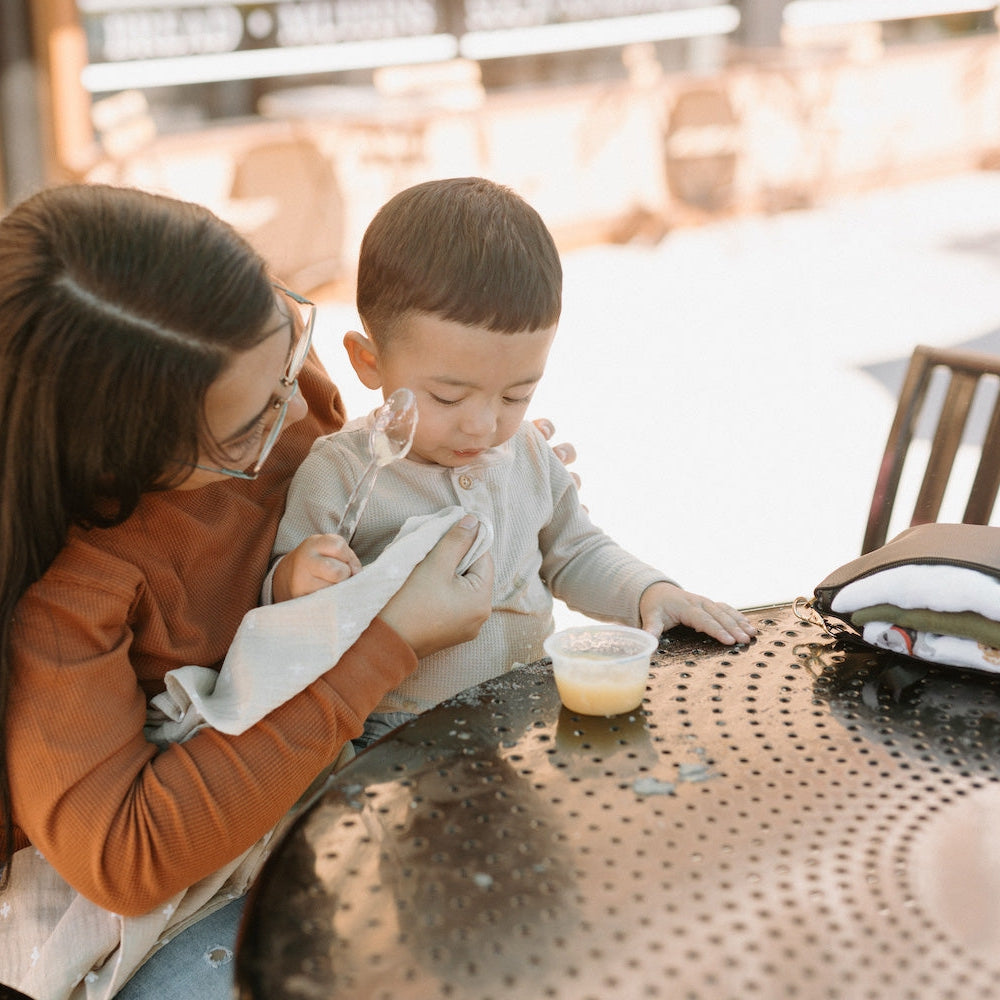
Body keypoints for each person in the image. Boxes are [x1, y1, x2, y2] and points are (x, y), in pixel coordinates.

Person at [0, 183, 579, 999]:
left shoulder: (265, 378)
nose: (295, 404)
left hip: (361, 777)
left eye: (289, 352)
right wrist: (389, 646)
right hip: (199, 892)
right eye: (248, 428)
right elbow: (124, 859)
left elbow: (354, 487)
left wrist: (462, 470)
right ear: (117, 458)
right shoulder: (71, 595)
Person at [269, 176, 755, 747]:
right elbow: (279, 612)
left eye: (516, 394)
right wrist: (292, 580)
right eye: (448, 397)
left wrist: (649, 593)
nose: (483, 425)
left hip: (533, 714)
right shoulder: (342, 471)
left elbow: (575, 552)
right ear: (369, 362)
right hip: (397, 735)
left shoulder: (526, 452)